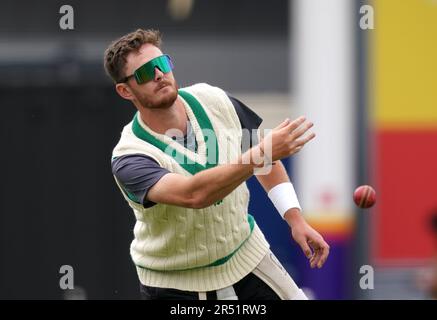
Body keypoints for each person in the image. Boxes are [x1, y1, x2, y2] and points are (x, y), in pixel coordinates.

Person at [104, 28, 329, 300]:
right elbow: (195, 194)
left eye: (162, 64)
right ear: (125, 90)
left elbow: (263, 159)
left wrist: (296, 220)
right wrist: (262, 153)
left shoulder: (213, 99)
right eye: (144, 73)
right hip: (175, 284)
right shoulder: (130, 156)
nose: (158, 75)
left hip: (248, 257)